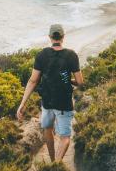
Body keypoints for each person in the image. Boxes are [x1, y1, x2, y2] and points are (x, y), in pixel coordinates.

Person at [16, 24, 83, 162]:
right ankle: (56, 165)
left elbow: (33, 81)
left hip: (47, 102)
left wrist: (22, 104)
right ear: (63, 37)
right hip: (64, 103)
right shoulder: (71, 55)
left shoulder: (42, 55)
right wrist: (68, 80)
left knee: (47, 129)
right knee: (65, 138)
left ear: (50, 37)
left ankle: (53, 160)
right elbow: (80, 82)